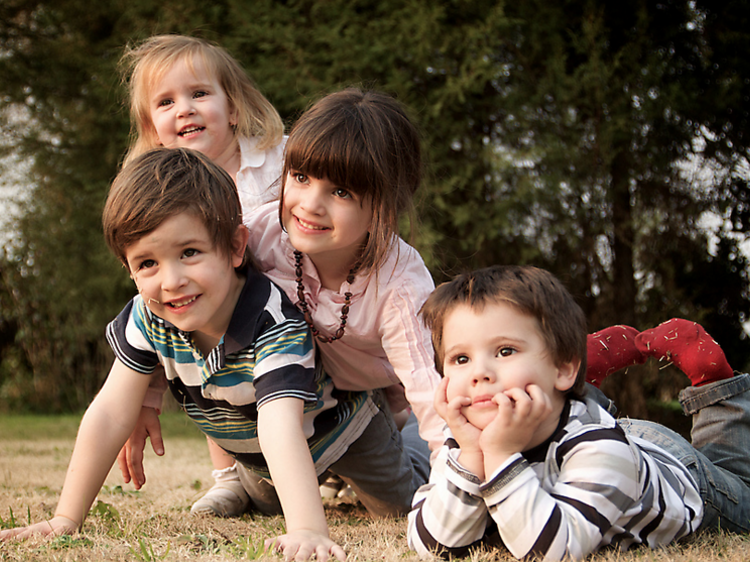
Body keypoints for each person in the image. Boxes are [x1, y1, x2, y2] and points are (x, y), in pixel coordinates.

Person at [0, 147, 381, 561]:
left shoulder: (271, 321)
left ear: (236, 248)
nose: (172, 281)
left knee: (400, 505)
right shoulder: (147, 316)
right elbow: (110, 412)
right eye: (147, 263)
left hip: (344, 432)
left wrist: (307, 530)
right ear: (128, 268)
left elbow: (279, 425)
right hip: (263, 459)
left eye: (189, 253)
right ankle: (281, 489)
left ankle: (406, 434)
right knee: (269, 506)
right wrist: (65, 519)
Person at [121, 87, 441, 519]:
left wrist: (453, 483)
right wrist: (147, 394)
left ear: (383, 204)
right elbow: (179, 300)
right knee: (268, 498)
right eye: (302, 177)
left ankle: (412, 444)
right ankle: (264, 477)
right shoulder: (262, 236)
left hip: (374, 399)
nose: (310, 204)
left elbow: (428, 390)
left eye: (341, 192)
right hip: (296, 397)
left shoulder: (399, 283)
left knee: (404, 502)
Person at [407, 265, 750, 561]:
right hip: (588, 423)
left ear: (562, 369)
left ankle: (713, 387)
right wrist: (470, 456)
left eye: (505, 350)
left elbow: (555, 550)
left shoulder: (600, 448)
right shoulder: (466, 438)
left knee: (741, 489)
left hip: (676, 473)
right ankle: (583, 385)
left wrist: (498, 455)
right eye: (460, 359)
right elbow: (432, 545)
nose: (479, 373)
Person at [117, 34, 293, 516]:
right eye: (166, 102)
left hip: (297, 315)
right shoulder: (159, 194)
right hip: (220, 318)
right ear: (153, 130)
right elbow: (154, 305)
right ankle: (227, 477)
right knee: (201, 353)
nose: (185, 109)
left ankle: (346, 461)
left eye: (199, 94)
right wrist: (145, 396)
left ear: (233, 107)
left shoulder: (279, 162)